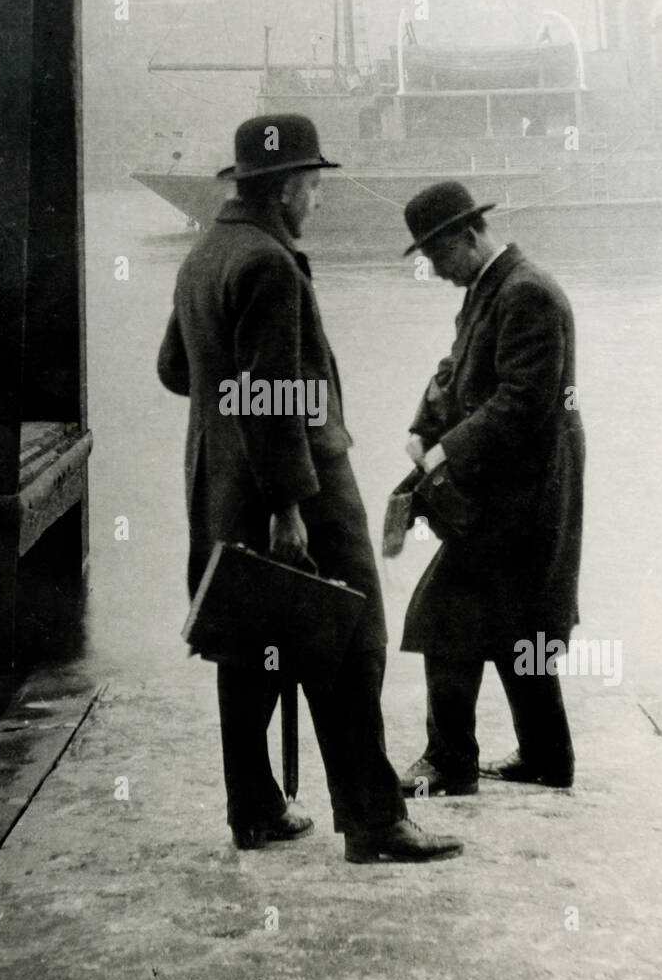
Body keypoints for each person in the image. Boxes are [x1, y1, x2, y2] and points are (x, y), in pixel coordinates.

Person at [157, 115, 462, 864]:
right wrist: (289, 505)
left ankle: (254, 809)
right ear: (289, 188)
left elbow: (175, 370)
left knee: (248, 642)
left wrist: (229, 419)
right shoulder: (268, 264)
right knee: (351, 643)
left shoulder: (204, 255)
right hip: (302, 490)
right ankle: (373, 822)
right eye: (315, 185)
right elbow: (270, 399)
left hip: (218, 487)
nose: (318, 199)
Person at [398, 181, 585, 796]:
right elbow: (455, 369)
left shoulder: (526, 293)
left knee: (443, 616)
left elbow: (523, 402)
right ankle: (546, 759)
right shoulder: (490, 288)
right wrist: (423, 426)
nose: (434, 267)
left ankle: (450, 763)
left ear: (468, 235)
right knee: (520, 623)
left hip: (526, 494)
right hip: (511, 489)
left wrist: (448, 449)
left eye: (436, 253)